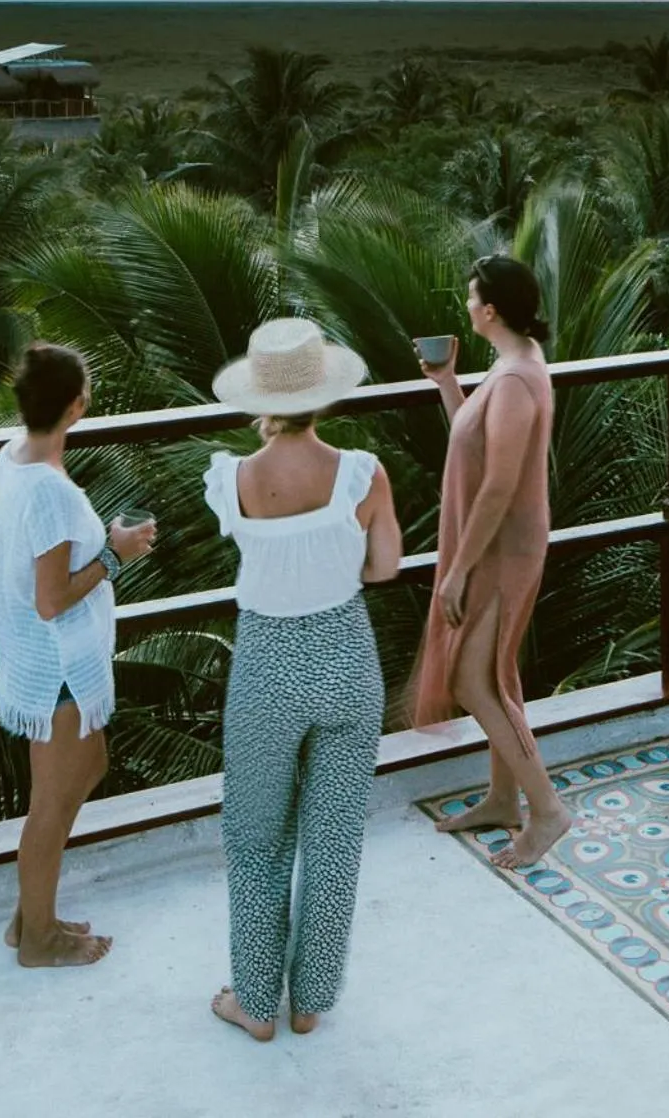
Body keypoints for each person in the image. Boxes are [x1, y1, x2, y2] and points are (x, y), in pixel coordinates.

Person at [203, 317, 403, 1042]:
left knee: (256, 836)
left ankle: (255, 1005)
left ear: (259, 397)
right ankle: (312, 1000)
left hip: (267, 664)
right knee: (336, 836)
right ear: (325, 394)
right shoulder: (362, 473)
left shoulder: (233, 479)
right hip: (347, 657)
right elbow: (383, 568)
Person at [0, 341, 156, 968]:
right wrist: (116, 553)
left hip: (41, 662)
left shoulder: (9, 459)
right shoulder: (50, 491)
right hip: (56, 664)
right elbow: (53, 599)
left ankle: (35, 911)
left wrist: (103, 543)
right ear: (77, 407)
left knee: (86, 770)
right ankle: (37, 939)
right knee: (52, 804)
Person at [412, 254, 570, 869]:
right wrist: (449, 384)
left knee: (471, 680)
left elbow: (498, 483)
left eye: (471, 297)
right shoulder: (515, 366)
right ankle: (505, 798)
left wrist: (456, 571)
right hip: (503, 543)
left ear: (490, 309)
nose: (466, 305)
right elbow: (476, 443)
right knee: (496, 673)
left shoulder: (513, 380)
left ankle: (547, 810)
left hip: (503, 550)